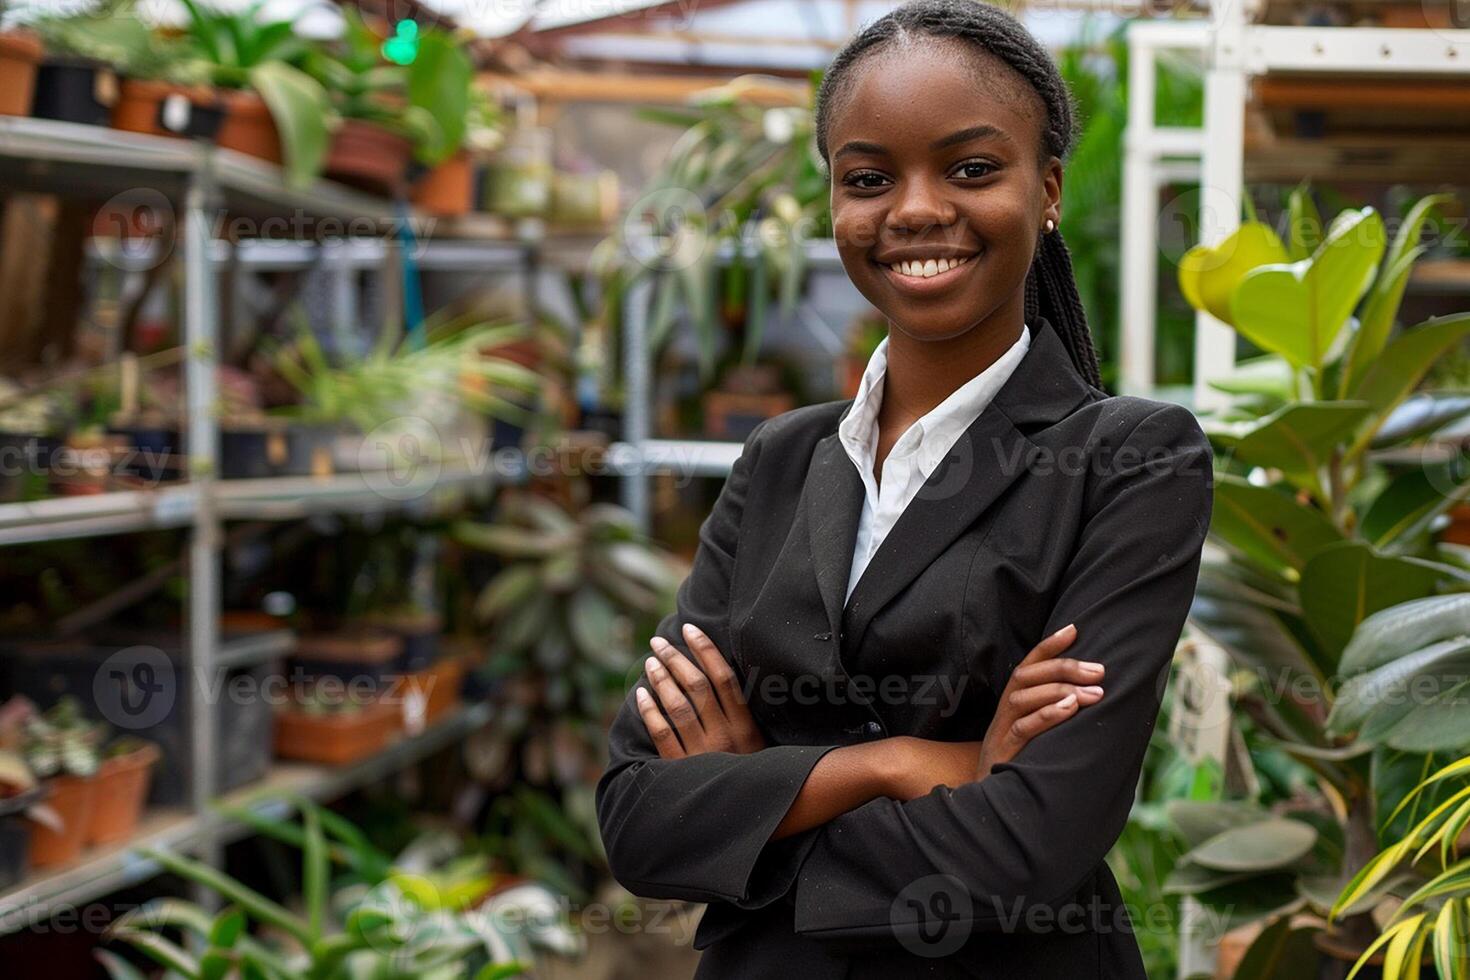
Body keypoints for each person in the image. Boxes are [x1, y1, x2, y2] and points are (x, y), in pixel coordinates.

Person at [595, 2, 1214, 976]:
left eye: (971, 168)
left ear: (1047, 189)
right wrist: (913, 763)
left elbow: (1030, 842)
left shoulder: (1130, 460)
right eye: (870, 178)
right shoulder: (779, 461)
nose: (916, 208)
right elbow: (637, 819)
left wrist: (755, 798)